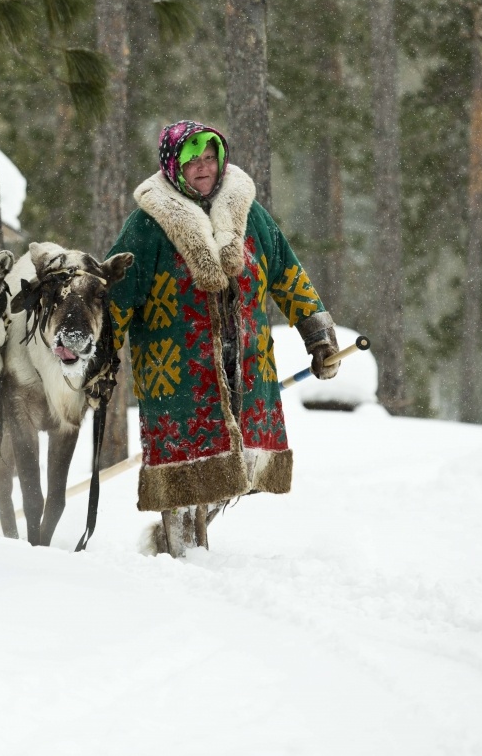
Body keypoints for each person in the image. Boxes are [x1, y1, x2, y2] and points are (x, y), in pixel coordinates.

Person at [105, 119, 340, 557]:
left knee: (237, 467)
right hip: (179, 375)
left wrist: (318, 336)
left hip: (247, 367)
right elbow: (115, 296)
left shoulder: (250, 214)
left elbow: (288, 274)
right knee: (185, 472)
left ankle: (184, 545)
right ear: (173, 166)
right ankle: (178, 555)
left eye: (210, 157)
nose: (203, 167)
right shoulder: (147, 225)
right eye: (191, 160)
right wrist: (100, 356)